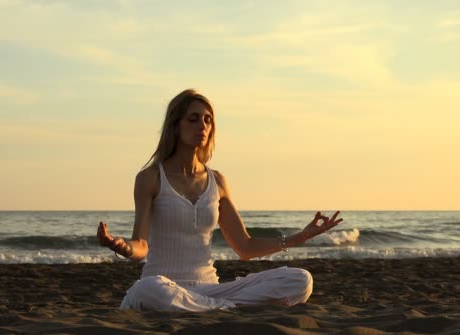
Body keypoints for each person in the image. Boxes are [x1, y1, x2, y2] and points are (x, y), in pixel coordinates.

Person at [97, 89, 343, 311]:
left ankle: (215, 307)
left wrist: (299, 237)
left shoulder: (218, 181)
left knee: (300, 280)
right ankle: (225, 308)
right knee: (146, 289)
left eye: (208, 120)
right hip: (165, 286)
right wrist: (122, 246)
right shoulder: (150, 178)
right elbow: (141, 246)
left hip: (211, 288)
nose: (202, 126)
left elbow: (244, 247)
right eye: (193, 119)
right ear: (175, 125)